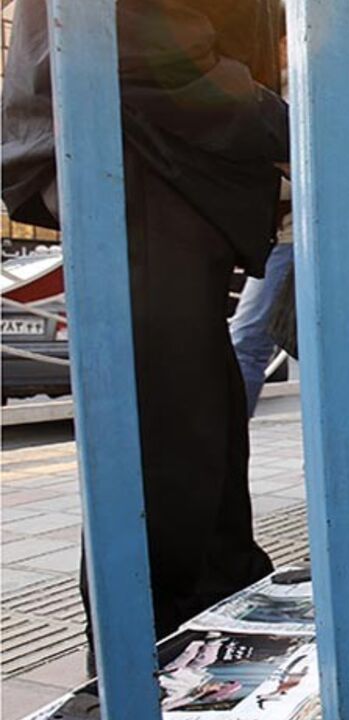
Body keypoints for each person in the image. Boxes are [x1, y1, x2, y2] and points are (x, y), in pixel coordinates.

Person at [2, 0, 285, 648]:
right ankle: (149, 654)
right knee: (167, 445)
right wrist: (278, 111)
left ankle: (199, 624)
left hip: (163, 172)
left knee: (197, 432)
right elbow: (152, 49)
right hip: (144, 168)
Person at [230, 0, 349, 418]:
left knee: (250, 340)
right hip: (289, 233)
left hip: (304, 233)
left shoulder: (332, 86)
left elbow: (335, 171)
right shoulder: (268, 85)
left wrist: (285, 160)